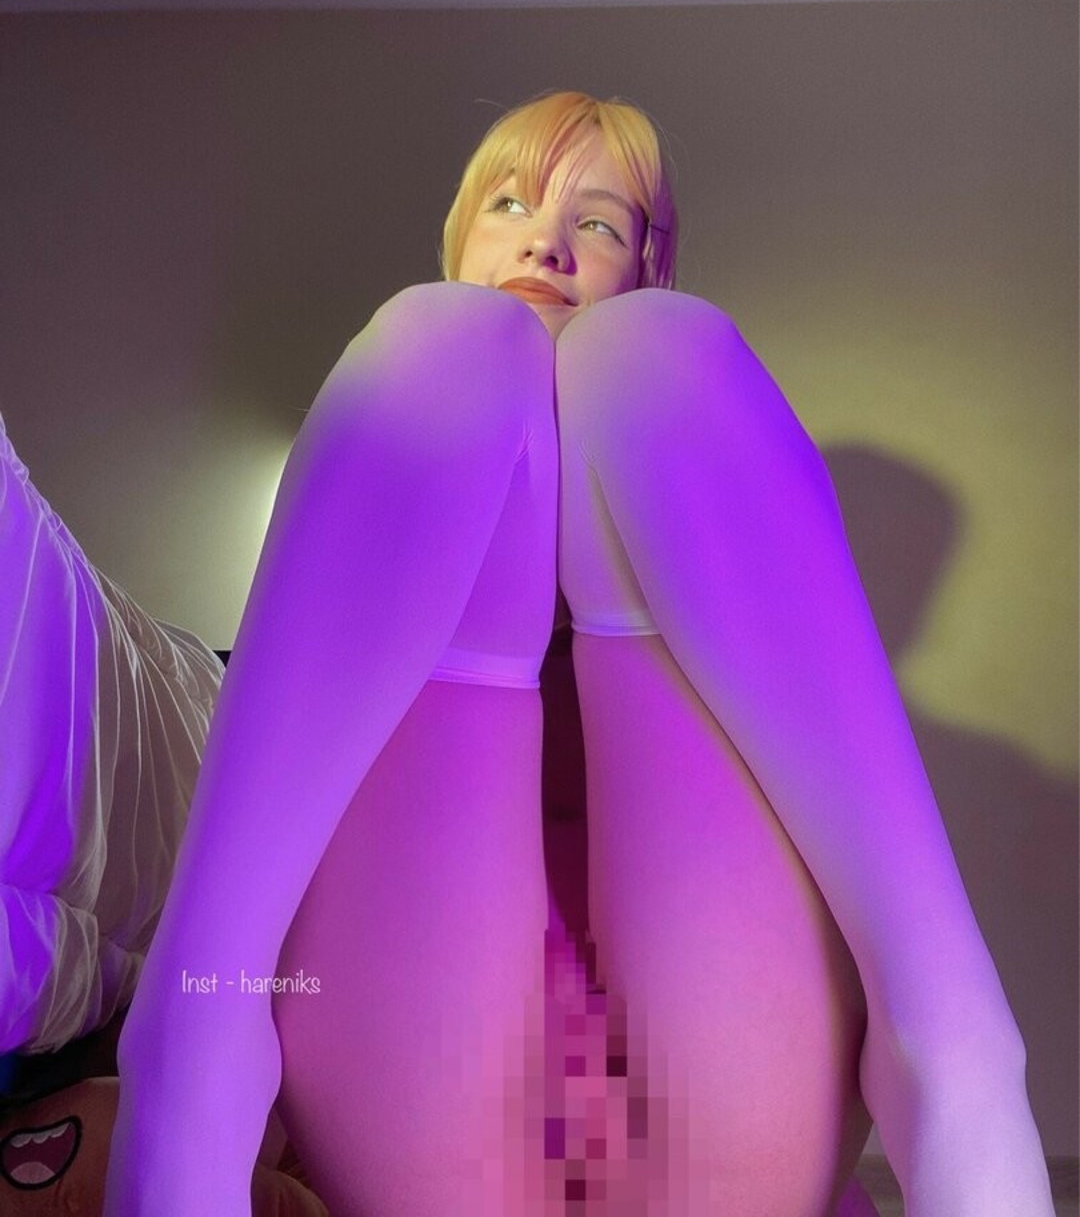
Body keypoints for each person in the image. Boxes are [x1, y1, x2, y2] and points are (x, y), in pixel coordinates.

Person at [103, 92, 1054, 1216]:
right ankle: (195, 1032)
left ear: (646, 263)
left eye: (598, 224)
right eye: (509, 205)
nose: (545, 242)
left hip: (729, 1099)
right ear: (461, 241)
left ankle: (953, 1045)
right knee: (447, 349)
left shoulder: (691, 428)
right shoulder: (404, 433)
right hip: (426, 1099)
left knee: (656, 359)